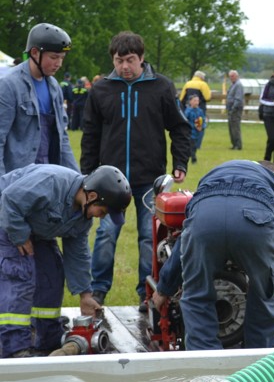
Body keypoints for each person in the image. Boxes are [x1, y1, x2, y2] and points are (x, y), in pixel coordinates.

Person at [80, 30, 192, 312]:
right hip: (107, 182)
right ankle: (98, 291)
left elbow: (179, 128)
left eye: (130, 60)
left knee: (148, 237)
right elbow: (90, 133)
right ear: (113, 60)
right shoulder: (101, 89)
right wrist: (87, 174)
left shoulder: (162, 87)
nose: (125, 67)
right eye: (119, 60)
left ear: (142, 58)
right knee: (106, 234)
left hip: (149, 180)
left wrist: (180, 162)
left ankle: (147, 292)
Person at [152, 160, 274, 350]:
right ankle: (262, 367)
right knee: (264, 300)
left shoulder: (215, 173)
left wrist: (164, 287)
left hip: (206, 216)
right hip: (255, 220)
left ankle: (205, 369)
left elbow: (183, 240)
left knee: (196, 296)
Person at [0, 164, 131, 358]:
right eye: (102, 211)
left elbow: (77, 255)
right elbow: (9, 199)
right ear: (92, 196)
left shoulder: (82, 218)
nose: (100, 217)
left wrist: (85, 294)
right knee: (21, 274)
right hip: (7, 219)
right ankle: (14, 348)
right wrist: (20, 235)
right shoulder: (51, 182)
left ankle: (47, 338)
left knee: (52, 272)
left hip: (35, 228)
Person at [0, 23, 77, 177]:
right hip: (17, 181)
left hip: (49, 178)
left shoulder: (54, 86)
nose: (59, 64)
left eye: (62, 58)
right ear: (35, 52)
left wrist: (78, 181)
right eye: (54, 57)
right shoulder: (8, 85)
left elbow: (62, 139)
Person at [183, 94, 206, 164]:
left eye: (197, 101)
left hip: (198, 132)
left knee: (195, 146)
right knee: (192, 145)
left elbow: (203, 120)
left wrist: (201, 127)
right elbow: (186, 121)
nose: (196, 102)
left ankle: (191, 154)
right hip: (191, 132)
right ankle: (194, 159)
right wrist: (193, 126)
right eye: (195, 100)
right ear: (190, 102)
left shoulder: (200, 111)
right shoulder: (188, 111)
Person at [225, 69, 243, 150]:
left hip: (235, 110)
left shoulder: (238, 85)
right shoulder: (233, 85)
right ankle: (234, 144)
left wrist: (233, 109)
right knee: (231, 127)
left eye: (232, 76)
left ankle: (238, 145)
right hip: (231, 109)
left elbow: (238, 99)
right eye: (230, 76)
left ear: (237, 76)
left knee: (235, 127)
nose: (231, 78)